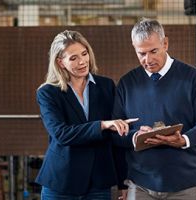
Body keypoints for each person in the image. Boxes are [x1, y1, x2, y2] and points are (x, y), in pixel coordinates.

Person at [111, 18, 196, 200]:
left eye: (154, 51)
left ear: (165, 43)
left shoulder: (193, 78)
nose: (148, 59)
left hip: (184, 184)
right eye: (141, 53)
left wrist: (183, 139)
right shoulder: (126, 84)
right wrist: (135, 136)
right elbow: (115, 132)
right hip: (140, 185)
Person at [36, 30, 130, 200]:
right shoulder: (48, 93)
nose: (82, 61)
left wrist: (123, 182)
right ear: (60, 62)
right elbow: (62, 134)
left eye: (84, 54)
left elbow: (116, 138)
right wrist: (102, 125)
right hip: (62, 182)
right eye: (73, 58)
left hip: (99, 183)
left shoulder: (106, 86)